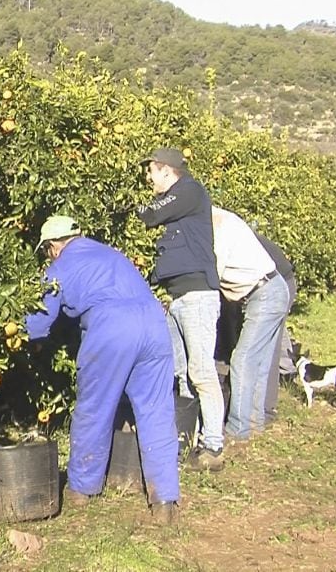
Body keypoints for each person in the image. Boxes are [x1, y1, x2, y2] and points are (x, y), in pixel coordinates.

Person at [23, 216, 180, 522]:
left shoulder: (60, 267)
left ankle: (82, 489)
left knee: (95, 407)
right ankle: (165, 502)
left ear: (53, 247)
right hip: (154, 325)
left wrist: (22, 337)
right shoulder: (112, 254)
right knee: (157, 410)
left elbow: (38, 323)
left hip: (112, 328)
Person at [135, 148, 225, 472]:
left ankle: (214, 446)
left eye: (151, 172)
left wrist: (124, 208)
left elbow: (150, 214)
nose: (149, 179)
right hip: (176, 297)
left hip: (198, 296)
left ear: (166, 170)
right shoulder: (179, 201)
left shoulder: (189, 191)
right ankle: (193, 441)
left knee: (201, 372)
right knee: (183, 373)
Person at [211, 207, 290, 442]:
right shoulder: (224, 219)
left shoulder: (219, 227)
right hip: (273, 289)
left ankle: (238, 428)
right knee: (259, 360)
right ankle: (255, 422)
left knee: (243, 359)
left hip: (264, 293)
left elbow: (215, 272)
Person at [254, 230, 297, 424]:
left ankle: (266, 409)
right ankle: (289, 369)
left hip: (278, 280)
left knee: (268, 343)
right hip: (269, 278)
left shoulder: (215, 230)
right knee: (272, 332)